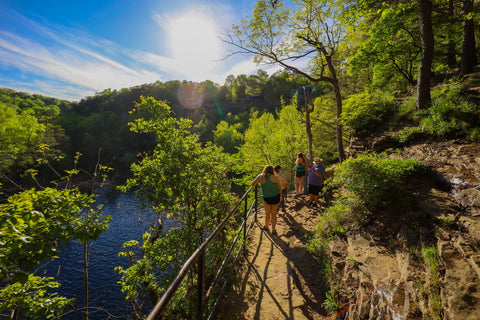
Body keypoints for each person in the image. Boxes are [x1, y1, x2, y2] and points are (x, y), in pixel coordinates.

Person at [251, 165, 282, 235]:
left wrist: (259, 180)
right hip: (276, 197)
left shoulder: (261, 177)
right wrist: (281, 196)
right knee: (274, 214)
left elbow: (252, 184)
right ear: (272, 170)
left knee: (267, 213)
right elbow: (280, 187)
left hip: (267, 197)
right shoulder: (276, 177)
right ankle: (273, 229)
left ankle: (266, 226)